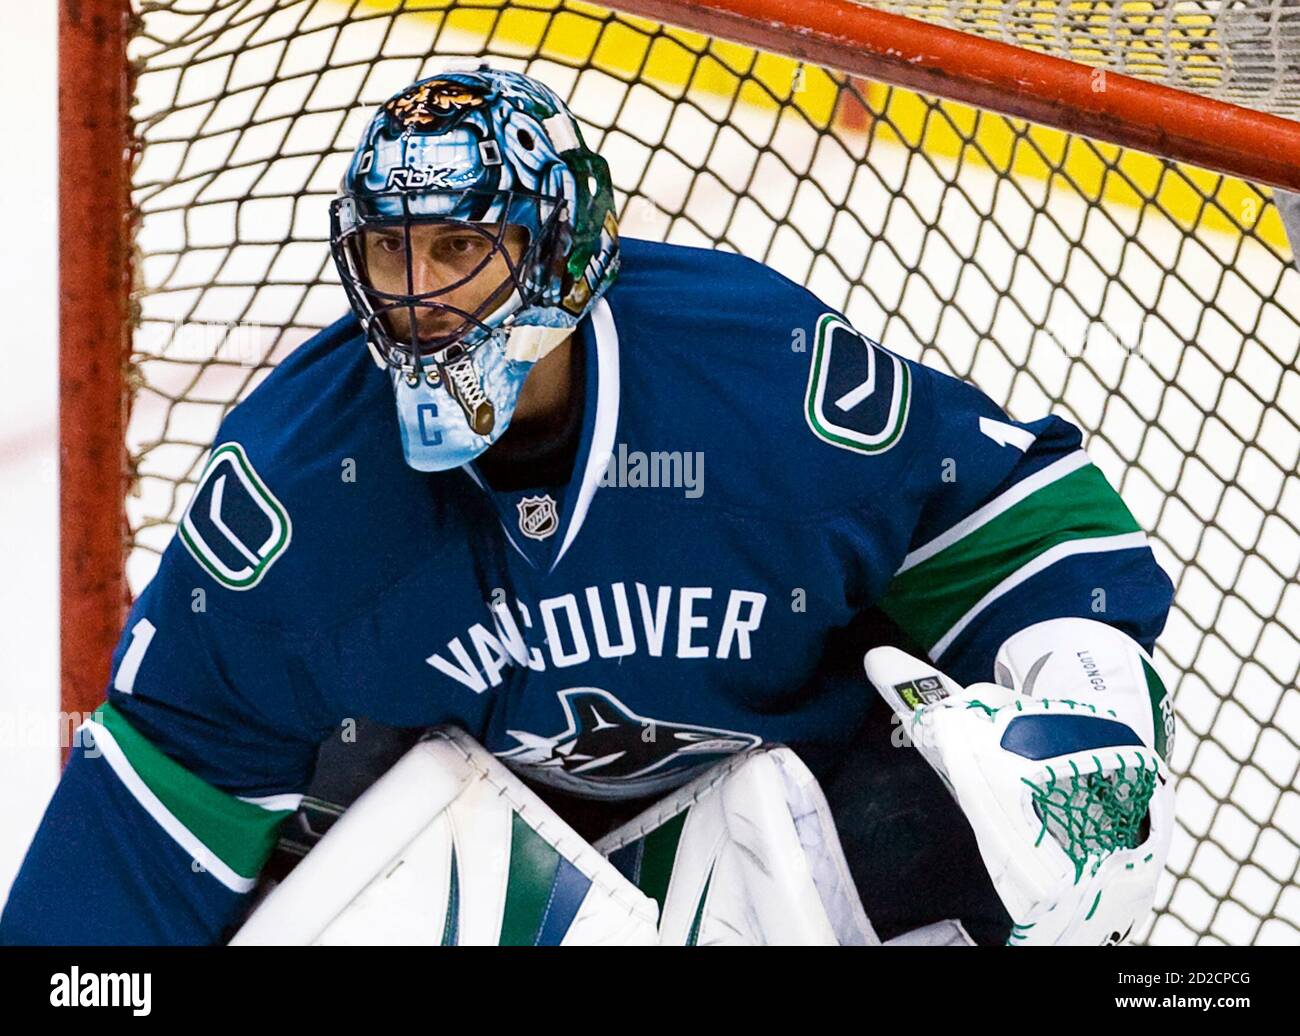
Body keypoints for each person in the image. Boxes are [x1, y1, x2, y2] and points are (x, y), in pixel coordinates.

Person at [1, 67, 1175, 945]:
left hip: (793, 850)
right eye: (392, 253)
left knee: (995, 851)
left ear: (562, 247)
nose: (419, 297)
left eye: (461, 244)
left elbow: (1016, 527)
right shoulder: (294, 500)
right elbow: (149, 833)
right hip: (463, 893)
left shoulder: (755, 382)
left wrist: (1089, 717)